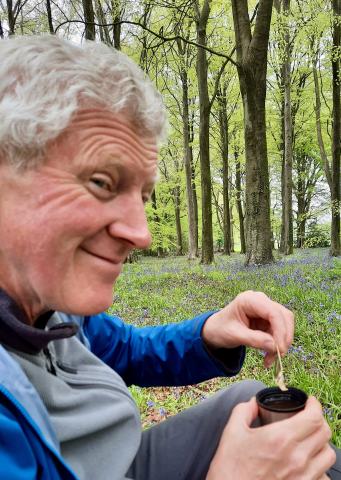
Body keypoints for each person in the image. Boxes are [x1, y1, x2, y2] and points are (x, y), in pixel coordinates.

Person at [0, 34, 339, 480]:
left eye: (143, 194)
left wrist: (212, 332)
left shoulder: (48, 305)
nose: (141, 233)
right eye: (102, 182)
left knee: (255, 407)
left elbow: (124, 349)